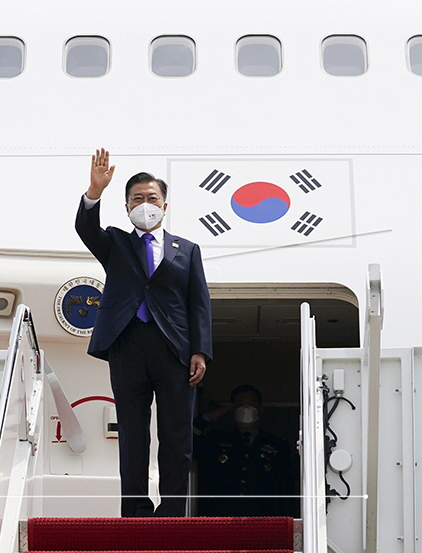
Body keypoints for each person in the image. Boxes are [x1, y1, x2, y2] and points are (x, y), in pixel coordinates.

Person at [75, 148, 212, 517]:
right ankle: (135, 511)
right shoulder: (116, 243)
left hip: (174, 351)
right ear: (127, 207)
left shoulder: (188, 250)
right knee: (133, 434)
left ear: (165, 206)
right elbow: (86, 228)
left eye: (152, 198)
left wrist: (200, 351)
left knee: (176, 435)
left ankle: (171, 511)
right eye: (138, 199)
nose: (145, 204)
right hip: (128, 345)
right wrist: (94, 192)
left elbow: (199, 302)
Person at [194, 385, 298, 516]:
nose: (246, 408)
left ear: (260, 409)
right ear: (232, 409)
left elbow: (285, 487)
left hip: (263, 518)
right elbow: (185, 444)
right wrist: (208, 418)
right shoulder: (217, 440)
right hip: (221, 516)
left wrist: (288, 521)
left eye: (252, 404)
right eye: (240, 404)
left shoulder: (277, 445)